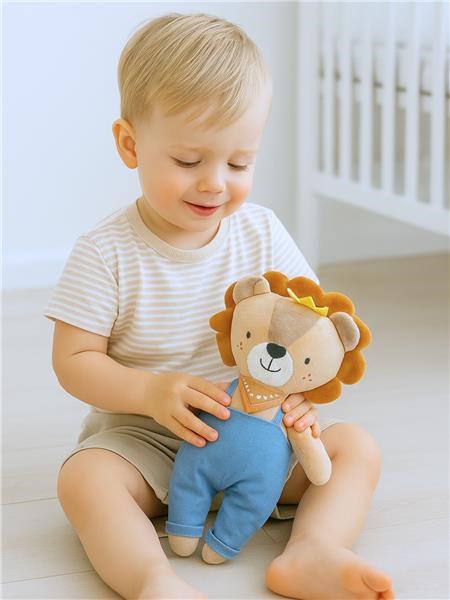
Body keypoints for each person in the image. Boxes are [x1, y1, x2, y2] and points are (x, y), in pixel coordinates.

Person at [45, 13, 394, 600]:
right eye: (188, 161)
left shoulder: (262, 232)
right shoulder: (106, 251)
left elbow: (312, 336)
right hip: (150, 440)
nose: (214, 183)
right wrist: (149, 393)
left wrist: (301, 399)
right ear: (131, 145)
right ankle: (152, 580)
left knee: (356, 448)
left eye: (238, 163)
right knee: (85, 479)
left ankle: (313, 550)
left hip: (259, 434)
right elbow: (73, 361)